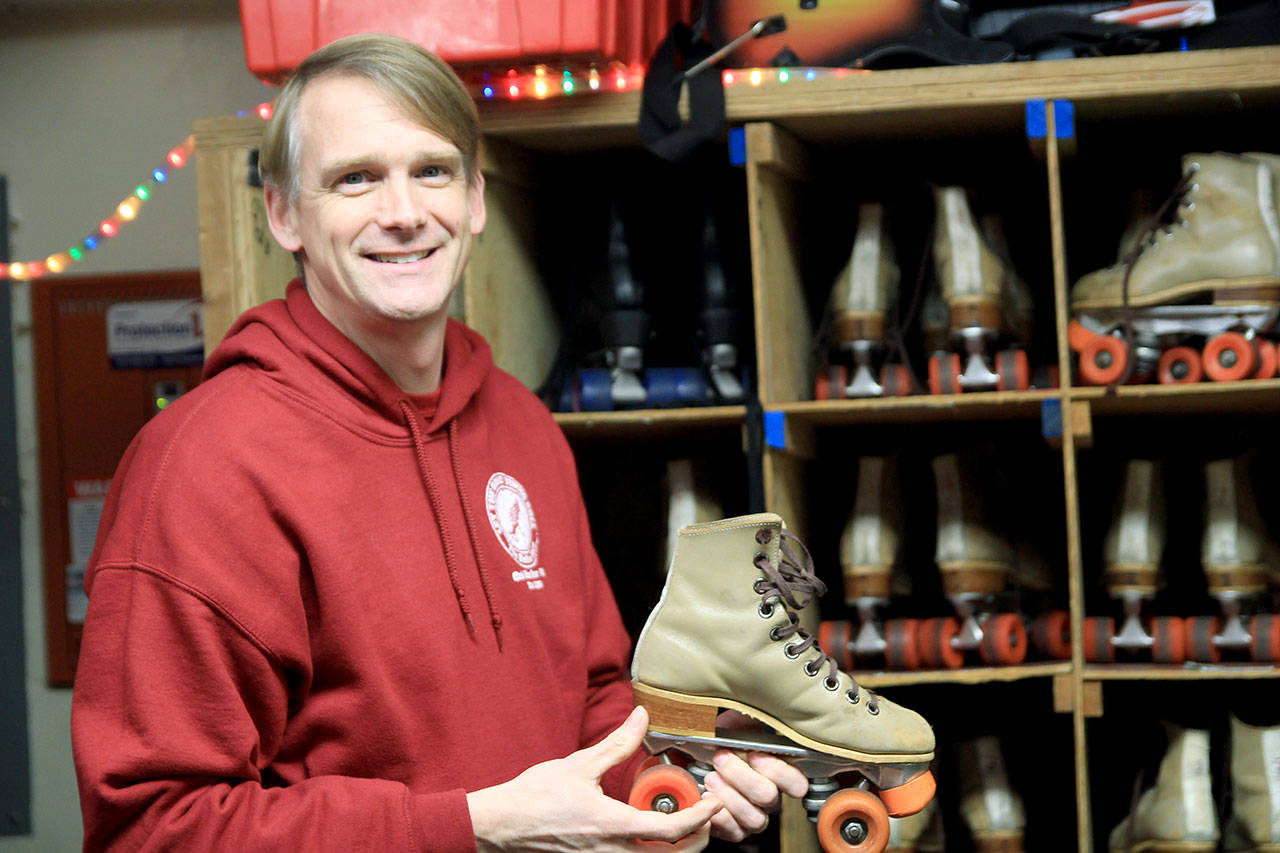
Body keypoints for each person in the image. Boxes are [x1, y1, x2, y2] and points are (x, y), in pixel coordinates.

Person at [71, 32, 807, 851]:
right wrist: (474, 826)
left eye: (432, 170)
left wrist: (676, 774)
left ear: (476, 198)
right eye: (356, 179)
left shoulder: (522, 425)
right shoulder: (203, 463)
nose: (404, 213)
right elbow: (151, 826)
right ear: (283, 213)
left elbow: (593, 693)